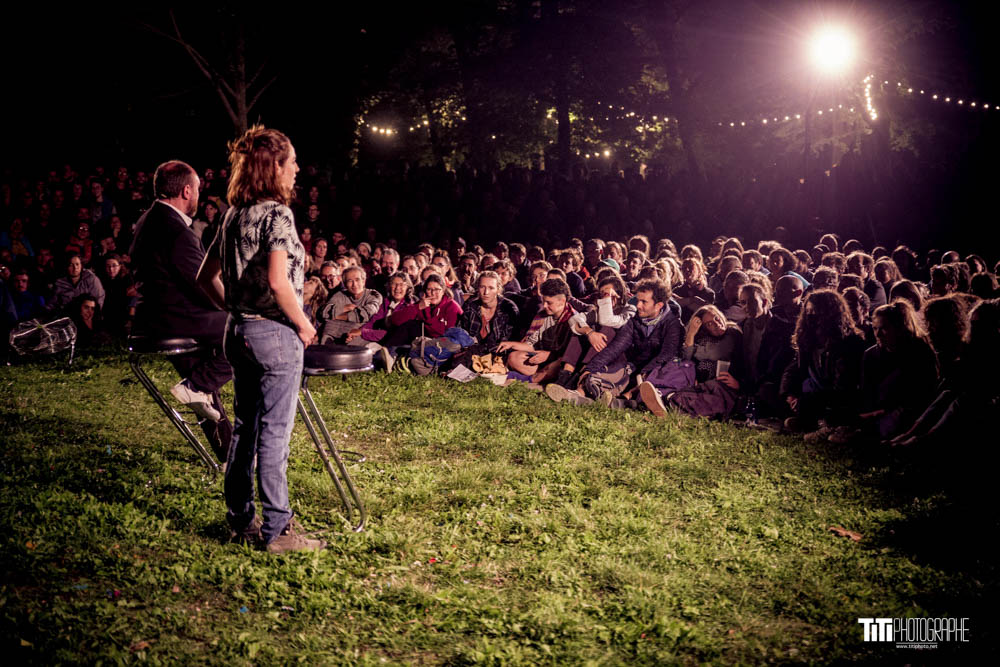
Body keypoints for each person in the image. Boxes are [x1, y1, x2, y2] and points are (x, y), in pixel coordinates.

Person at [196, 125, 324, 554]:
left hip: (239, 333)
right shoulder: (276, 214)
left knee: (246, 429)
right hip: (274, 335)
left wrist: (234, 308)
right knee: (274, 435)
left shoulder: (232, 214)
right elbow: (279, 281)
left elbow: (205, 276)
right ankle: (277, 530)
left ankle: (240, 520)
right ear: (275, 168)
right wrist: (304, 325)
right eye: (292, 162)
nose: (298, 169)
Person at [129, 160, 233, 463]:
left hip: (155, 318)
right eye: (198, 190)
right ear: (187, 190)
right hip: (177, 318)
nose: (199, 197)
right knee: (248, 330)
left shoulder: (149, 219)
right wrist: (236, 307)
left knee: (201, 378)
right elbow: (202, 285)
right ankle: (196, 386)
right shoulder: (173, 228)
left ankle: (228, 454)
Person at [319, 265, 383, 344]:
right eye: (350, 281)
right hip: (331, 335)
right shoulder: (340, 295)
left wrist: (335, 316)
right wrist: (345, 308)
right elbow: (323, 312)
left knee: (359, 327)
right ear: (345, 284)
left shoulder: (374, 295)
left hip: (355, 335)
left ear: (363, 281)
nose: (354, 284)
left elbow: (365, 315)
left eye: (357, 280)